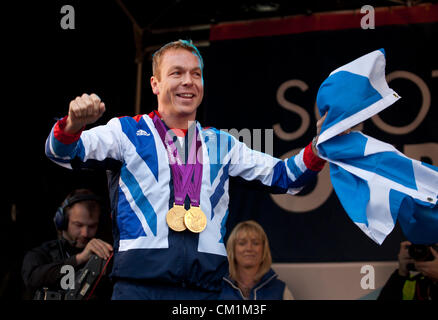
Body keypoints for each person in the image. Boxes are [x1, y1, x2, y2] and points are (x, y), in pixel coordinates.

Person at [44, 40, 327, 299]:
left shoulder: (223, 145)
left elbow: (287, 177)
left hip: (204, 293)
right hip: (138, 290)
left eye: (196, 74)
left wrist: (320, 144)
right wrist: (72, 124)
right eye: (177, 73)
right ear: (155, 84)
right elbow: (62, 153)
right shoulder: (126, 132)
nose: (188, 82)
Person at [21, 189, 113, 299]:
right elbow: (32, 279)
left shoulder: (104, 255)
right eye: (78, 225)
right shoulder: (41, 254)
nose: (85, 233)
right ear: (62, 221)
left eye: (92, 226)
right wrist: (79, 259)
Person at [219, 220, 293, 300]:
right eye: (242, 243)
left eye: (255, 243)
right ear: (232, 249)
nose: (249, 248)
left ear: (263, 249)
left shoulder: (280, 290)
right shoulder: (216, 288)